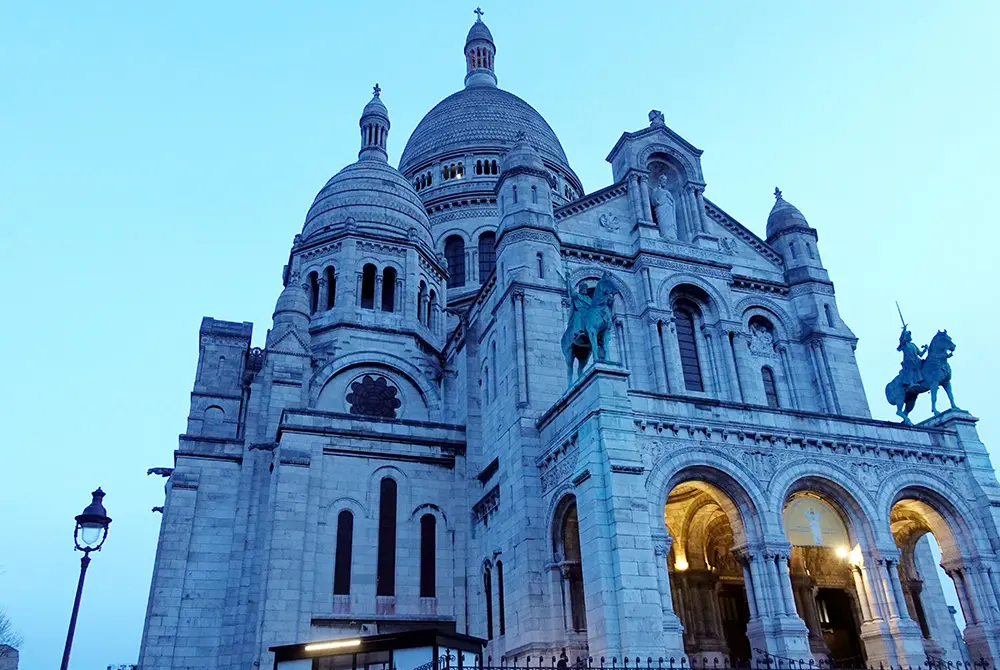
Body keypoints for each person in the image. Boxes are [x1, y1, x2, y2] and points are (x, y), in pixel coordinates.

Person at [898, 327, 927, 392]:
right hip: (908, 361)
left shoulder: (913, 345)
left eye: (910, 335)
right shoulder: (905, 345)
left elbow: (920, 354)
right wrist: (903, 331)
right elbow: (901, 339)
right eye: (908, 335)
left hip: (916, 360)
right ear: (906, 337)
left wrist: (925, 349)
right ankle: (911, 383)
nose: (910, 336)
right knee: (911, 367)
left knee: (924, 363)